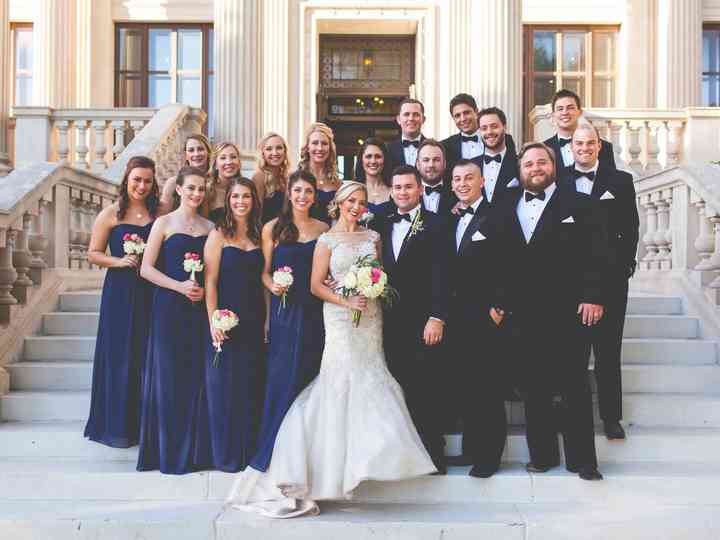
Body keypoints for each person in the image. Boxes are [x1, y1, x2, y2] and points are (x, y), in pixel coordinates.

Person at [225, 181, 435, 517]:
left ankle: (368, 458)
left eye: (362, 202)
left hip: (369, 317)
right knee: (338, 379)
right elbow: (314, 284)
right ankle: (334, 465)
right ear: (338, 203)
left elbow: (378, 273)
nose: (356, 206)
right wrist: (345, 298)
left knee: (371, 374)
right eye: (351, 200)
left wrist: (374, 288)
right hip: (339, 317)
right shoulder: (326, 239)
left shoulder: (372, 237)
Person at [492, 142, 608, 481]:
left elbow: (598, 254)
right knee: (534, 387)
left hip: (568, 310)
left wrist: (594, 295)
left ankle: (583, 460)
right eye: (528, 164)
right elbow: (496, 257)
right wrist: (498, 300)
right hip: (522, 313)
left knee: (574, 385)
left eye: (542, 162)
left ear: (554, 166)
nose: (535, 168)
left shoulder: (580, 204)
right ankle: (541, 456)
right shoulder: (506, 205)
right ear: (520, 170)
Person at [558, 124, 639, 440]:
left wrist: (622, 270)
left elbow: (630, 230)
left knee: (607, 352)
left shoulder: (620, 181)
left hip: (611, 282)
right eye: (579, 143)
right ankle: (572, 416)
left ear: (599, 147)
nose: (585, 148)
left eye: (590, 143)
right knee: (572, 354)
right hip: (569, 284)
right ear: (571, 147)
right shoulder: (559, 180)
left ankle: (611, 418)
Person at [137, 166, 215, 474]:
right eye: (192, 188)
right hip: (169, 307)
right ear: (179, 189)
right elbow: (146, 268)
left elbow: (213, 271)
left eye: (201, 189)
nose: (197, 193)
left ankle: (195, 451)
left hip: (198, 310)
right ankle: (168, 453)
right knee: (169, 378)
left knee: (195, 378)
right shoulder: (163, 223)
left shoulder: (211, 227)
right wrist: (179, 286)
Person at [249, 170, 328, 473]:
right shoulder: (274, 228)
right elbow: (263, 272)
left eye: (308, 191)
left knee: (309, 375)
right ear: (289, 194)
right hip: (284, 312)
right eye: (297, 191)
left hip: (316, 311)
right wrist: (272, 290)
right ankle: (275, 448)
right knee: (282, 376)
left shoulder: (324, 229)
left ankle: (307, 452)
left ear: (314, 195)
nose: (303, 197)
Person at [84, 156, 159, 448]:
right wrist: (118, 261)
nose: (141, 186)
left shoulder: (160, 213)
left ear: (154, 184)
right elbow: (92, 253)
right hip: (120, 291)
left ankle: (145, 426)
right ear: (127, 180)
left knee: (145, 354)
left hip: (151, 291)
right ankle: (116, 425)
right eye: (136, 179)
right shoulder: (111, 214)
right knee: (120, 355)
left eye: (147, 181)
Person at [380, 165, 450, 474]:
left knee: (426, 388)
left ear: (420, 189)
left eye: (409, 187)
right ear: (391, 190)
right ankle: (399, 456)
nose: (403, 192)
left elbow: (443, 274)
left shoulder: (436, 224)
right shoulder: (379, 220)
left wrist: (437, 316)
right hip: (385, 322)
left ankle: (434, 454)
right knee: (393, 390)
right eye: (398, 187)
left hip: (424, 321)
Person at [447, 159, 508, 478]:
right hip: (457, 315)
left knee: (487, 386)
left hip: (485, 315)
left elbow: (509, 261)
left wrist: (499, 306)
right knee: (467, 385)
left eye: (468, 178)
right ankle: (471, 449)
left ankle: (489, 455)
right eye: (456, 179)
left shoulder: (496, 215)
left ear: (482, 181)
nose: (461, 183)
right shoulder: (452, 216)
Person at [203, 177, 266, 472]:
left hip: (254, 317)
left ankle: (248, 451)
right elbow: (210, 281)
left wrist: (267, 320)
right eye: (235, 197)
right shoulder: (218, 235)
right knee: (224, 387)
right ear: (228, 200)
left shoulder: (259, 234)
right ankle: (225, 454)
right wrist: (214, 320)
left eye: (246, 197)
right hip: (227, 318)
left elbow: (265, 282)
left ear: (254, 201)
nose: (241, 202)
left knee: (251, 384)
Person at [352, 98, 427, 181]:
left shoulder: (433, 150)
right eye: (406, 114)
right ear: (398, 119)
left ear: (423, 119)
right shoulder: (387, 150)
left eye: (416, 114)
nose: (411, 118)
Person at [543, 89, 616, 170]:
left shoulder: (604, 147)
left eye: (570, 108)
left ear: (580, 112)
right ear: (553, 114)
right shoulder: (544, 149)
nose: (565, 112)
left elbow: (611, 180)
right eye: (560, 109)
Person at [159, 134, 213, 215]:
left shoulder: (216, 182)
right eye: (191, 150)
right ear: (186, 155)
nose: (196, 154)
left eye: (200, 149)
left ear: (208, 152)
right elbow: (162, 214)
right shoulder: (174, 182)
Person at [298, 123, 341, 224]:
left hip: (330, 236)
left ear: (330, 148)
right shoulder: (296, 178)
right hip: (304, 236)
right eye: (315, 143)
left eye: (324, 143)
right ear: (307, 147)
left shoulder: (338, 183)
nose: (320, 148)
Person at [477, 107, 520, 206]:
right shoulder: (471, 165)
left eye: (494, 126)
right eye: (484, 128)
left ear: (504, 127)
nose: (489, 132)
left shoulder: (520, 163)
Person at [252, 133, 290, 224]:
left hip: (284, 230)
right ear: (263, 153)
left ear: (285, 151)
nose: (275, 153)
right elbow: (256, 216)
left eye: (279, 148)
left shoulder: (288, 177)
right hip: (264, 232)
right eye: (269, 149)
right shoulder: (259, 177)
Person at [354, 137, 393, 221]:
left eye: (378, 156)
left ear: (384, 159)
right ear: (361, 160)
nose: (373, 161)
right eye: (368, 156)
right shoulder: (352, 190)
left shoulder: (394, 190)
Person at [416, 139, 457, 215]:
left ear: (444, 164)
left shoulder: (457, 195)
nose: (431, 165)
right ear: (418, 165)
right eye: (426, 160)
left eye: (436, 160)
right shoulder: (408, 193)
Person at [206, 142, 243, 222]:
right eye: (223, 158)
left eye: (233, 157)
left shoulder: (246, 189)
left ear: (239, 163)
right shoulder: (207, 191)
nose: (229, 162)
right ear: (215, 164)